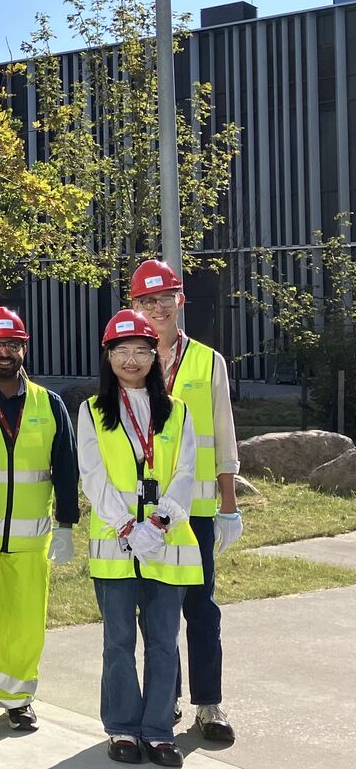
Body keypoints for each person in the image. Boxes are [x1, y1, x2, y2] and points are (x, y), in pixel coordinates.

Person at [79, 309, 203, 768]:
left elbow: (186, 473)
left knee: (164, 641)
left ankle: (157, 730)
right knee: (118, 641)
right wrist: (129, 526)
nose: (131, 360)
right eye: (122, 351)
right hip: (116, 540)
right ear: (108, 357)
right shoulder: (92, 411)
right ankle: (122, 728)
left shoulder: (178, 412)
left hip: (167, 541)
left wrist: (160, 524)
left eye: (141, 351)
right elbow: (92, 476)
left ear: (155, 357)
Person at [131, 259, 242, 744]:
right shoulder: (129, 361)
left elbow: (223, 437)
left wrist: (229, 505)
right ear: (133, 306)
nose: (157, 307)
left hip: (194, 513)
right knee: (155, 611)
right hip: (148, 515)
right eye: (146, 301)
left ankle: (209, 704)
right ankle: (165, 698)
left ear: (181, 301)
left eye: (165, 298)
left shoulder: (206, 361)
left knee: (201, 608)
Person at [0, 307, 79, 730]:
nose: (4, 352)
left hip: (31, 537)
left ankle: (16, 697)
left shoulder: (51, 404)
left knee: (25, 618)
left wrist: (66, 525)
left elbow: (66, 468)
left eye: (12, 344)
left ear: (24, 348)